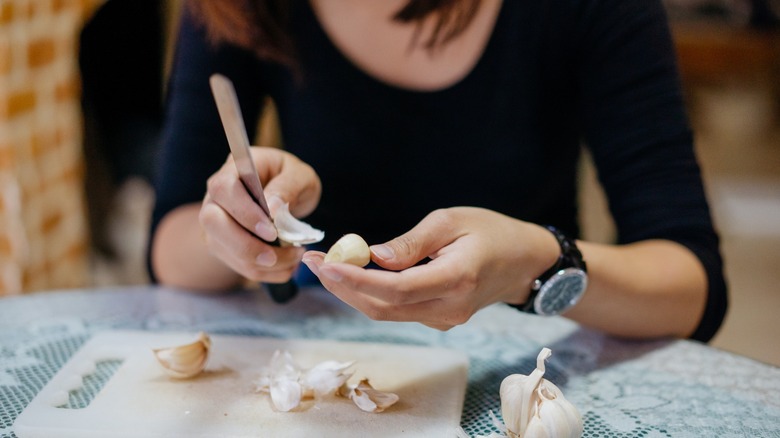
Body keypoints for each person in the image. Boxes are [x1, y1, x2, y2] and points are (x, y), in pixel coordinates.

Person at [149, 0, 728, 342]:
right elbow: (170, 246)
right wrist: (243, 226)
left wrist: (535, 263)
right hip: (322, 375)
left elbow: (691, 287)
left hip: (524, 374)